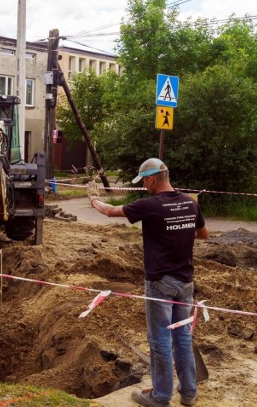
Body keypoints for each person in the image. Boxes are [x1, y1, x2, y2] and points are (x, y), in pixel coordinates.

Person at [88, 158, 208, 407]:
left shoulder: (152, 205)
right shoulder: (189, 202)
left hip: (160, 282)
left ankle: (161, 396)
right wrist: (180, 229)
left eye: (144, 181)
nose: (144, 185)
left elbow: (110, 211)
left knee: (160, 339)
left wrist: (93, 199)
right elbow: (203, 234)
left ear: (152, 179)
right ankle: (188, 393)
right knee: (183, 336)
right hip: (186, 281)